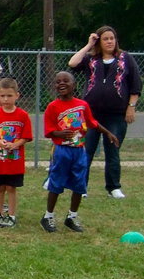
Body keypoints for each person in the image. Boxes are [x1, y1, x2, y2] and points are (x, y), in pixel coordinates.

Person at [68, 25, 143, 199]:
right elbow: (72, 63)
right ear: (99, 42)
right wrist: (88, 45)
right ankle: (81, 186)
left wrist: (131, 107)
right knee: (86, 150)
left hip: (116, 114)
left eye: (112, 38)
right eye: (105, 39)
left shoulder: (126, 59)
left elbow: (135, 85)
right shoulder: (91, 59)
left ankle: (113, 187)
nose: (109, 42)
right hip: (91, 114)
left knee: (113, 150)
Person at [40, 71, 117, 233]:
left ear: (74, 85)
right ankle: (48, 216)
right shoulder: (53, 107)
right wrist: (59, 133)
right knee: (56, 182)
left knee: (79, 183)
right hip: (62, 151)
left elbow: (92, 123)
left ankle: (72, 216)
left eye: (65, 81)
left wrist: (108, 133)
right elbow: (48, 130)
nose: (61, 84)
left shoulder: (82, 105)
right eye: (58, 81)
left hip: (79, 151)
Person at [0, 77, 32, 228]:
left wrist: (15, 144)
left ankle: (11, 215)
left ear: (17, 95)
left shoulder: (22, 115)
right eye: (2, 95)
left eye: (9, 95)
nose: (6, 99)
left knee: (11, 188)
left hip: (14, 161)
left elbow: (26, 136)